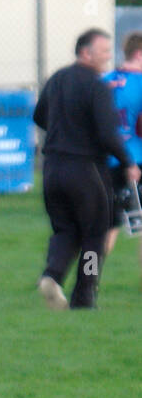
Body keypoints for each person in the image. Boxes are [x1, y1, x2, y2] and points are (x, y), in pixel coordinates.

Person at [34, 29, 142, 310]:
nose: (108, 57)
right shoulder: (97, 86)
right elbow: (108, 133)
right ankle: (84, 296)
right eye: (104, 51)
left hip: (52, 169)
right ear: (86, 52)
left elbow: (38, 115)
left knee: (64, 230)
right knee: (95, 234)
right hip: (85, 170)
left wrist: (63, 132)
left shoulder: (57, 78)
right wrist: (128, 161)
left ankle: (51, 276)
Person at [103, 32, 142, 271]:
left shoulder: (102, 80)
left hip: (103, 162)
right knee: (140, 227)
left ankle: (87, 281)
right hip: (136, 162)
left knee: (105, 228)